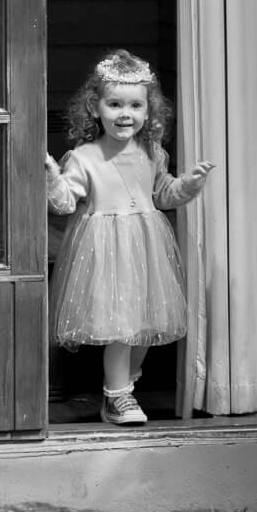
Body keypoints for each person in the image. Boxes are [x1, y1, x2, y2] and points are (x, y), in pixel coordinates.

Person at [45, 50, 214, 425]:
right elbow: (63, 202)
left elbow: (164, 194)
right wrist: (51, 176)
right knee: (120, 326)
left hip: (146, 250)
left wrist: (190, 184)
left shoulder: (152, 153)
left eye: (136, 105)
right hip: (104, 253)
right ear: (95, 107)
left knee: (143, 326)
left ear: (147, 111)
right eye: (115, 104)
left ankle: (126, 387)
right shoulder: (85, 156)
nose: (126, 113)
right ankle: (117, 396)